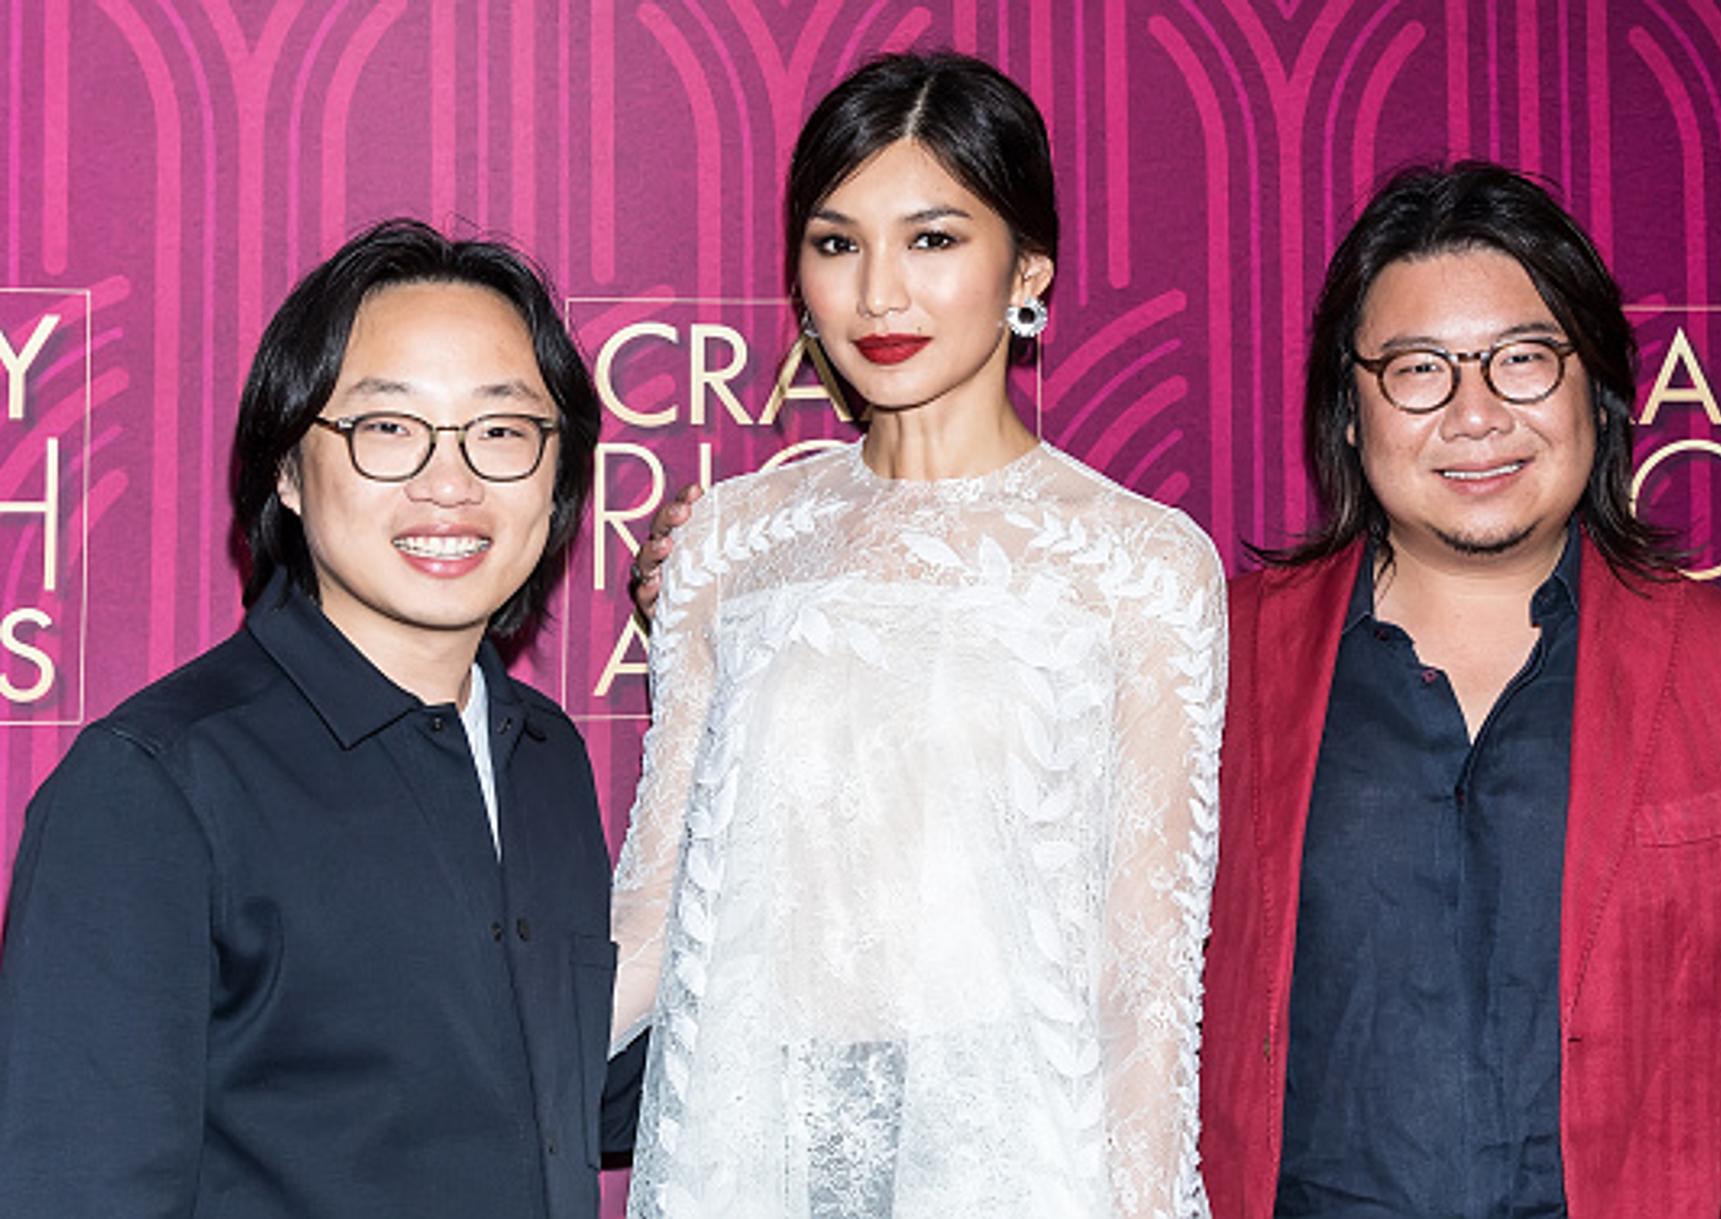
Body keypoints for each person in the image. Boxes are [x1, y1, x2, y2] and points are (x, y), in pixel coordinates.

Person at [1199, 163, 1721, 1216]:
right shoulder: (1211, 659)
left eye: (1523, 360)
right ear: (1350, 410)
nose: (1476, 415)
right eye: (1418, 369)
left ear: (1599, 392)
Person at [610, 52, 1226, 1218]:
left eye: (933, 239)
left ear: (1027, 269)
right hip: (756, 1157)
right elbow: (651, 923)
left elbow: (1145, 990)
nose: (880, 295)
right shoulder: (732, 545)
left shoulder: (1142, 565)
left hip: (1015, 1168)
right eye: (838, 244)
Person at [0, 219, 635, 1219]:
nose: (450, 481)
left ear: (560, 472)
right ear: (289, 470)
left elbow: (565, 1095)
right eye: (388, 427)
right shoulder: (157, 783)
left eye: (502, 430)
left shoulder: (547, 758)